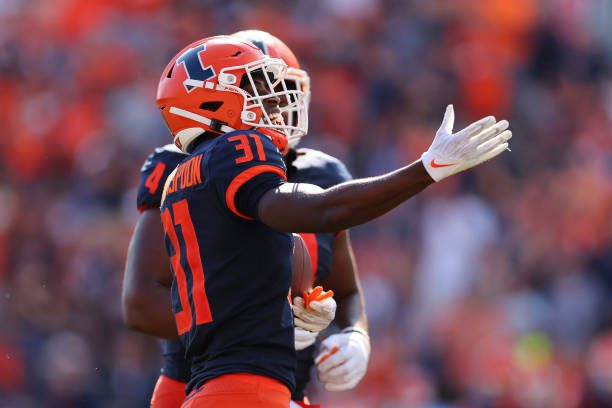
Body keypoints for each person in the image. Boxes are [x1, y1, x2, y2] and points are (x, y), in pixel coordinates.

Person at [155, 34, 511, 408]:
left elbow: (238, 273)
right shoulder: (235, 149)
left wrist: (301, 310)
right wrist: (425, 170)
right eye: (257, 86)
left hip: (220, 388)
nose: (275, 101)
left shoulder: (181, 180)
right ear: (212, 96)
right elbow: (319, 209)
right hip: (248, 389)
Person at [122, 30, 370, 407]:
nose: (276, 107)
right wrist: (268, 323)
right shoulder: (185, 163)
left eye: (282, 93)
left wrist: (355, 334)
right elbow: (141, 302)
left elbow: (346, 288)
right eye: (265, 93)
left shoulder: (322, 172)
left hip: (284, 390)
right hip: (199, 385)